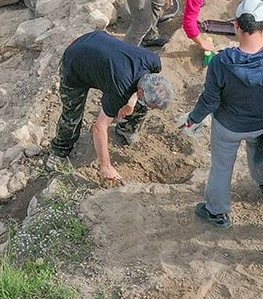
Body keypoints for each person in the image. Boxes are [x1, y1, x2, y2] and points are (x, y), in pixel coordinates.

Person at [179, 0, 263, 228]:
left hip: (227, 126)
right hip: (261, 123)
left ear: (235, 25)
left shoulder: (222, 63)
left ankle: (217, 212)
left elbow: (210, 99)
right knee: (261, 154)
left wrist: (193, 119)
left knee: (222, 167)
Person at [48, 30, 175, 185]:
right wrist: (105, 166)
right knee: (72, 114)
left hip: (97, 43)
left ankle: (126, 130)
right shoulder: (120, 88)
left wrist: (132, 101)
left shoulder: (153, 61)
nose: (152, 108)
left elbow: (139, 91)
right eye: (151, 103)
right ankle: (60, 150)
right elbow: (99, 127)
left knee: (141, 106)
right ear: (141, 91)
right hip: (76, 60)